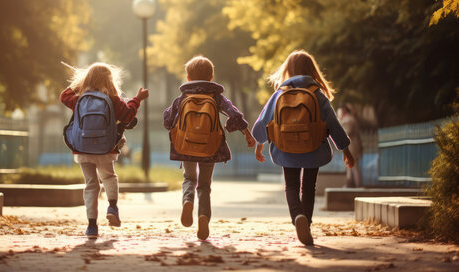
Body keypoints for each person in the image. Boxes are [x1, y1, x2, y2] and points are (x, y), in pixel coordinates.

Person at [251, 50, 355, 245]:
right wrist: (346, 150)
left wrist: (259, 145)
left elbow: (264, 120)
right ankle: (306, 222)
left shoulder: (279, 94)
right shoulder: (317, 95)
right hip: (313, 148)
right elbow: (333, 124)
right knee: (308, 187)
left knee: (290, 185)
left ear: (288, 70)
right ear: (311, 71)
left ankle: (297, 216)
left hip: (285, 148)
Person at [163, 56, 256, 240]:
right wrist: (247, 133)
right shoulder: (216, 97)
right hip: (210, 146)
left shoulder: (183, 97)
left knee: (189, 178)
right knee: (204, 185)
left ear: (188, 77)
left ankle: (187, 201)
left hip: (186, 145)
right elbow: (234, 114)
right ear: (211, 76)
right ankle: (203, 215)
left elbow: (167, 121)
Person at [60, 62, 149, 238]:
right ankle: (112, 207)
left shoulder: (79, 98)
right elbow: (128, 114)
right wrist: (137, 99)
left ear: (86, 79)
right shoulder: (113, 100)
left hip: (83, 149)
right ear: (110, 81)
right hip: (106, 149)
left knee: (91, 185)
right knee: (109, 176)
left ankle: (92, 226)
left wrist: (79, 83)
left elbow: (64, 95)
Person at [338, 104, 363, 187]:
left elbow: (347, 133)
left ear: (344, 111)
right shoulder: (349, 119)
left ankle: (357, 184)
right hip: (352, 144)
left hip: (352, 145)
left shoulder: (348, 120)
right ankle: (350, 184)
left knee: (353, 165)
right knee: (350, 165)